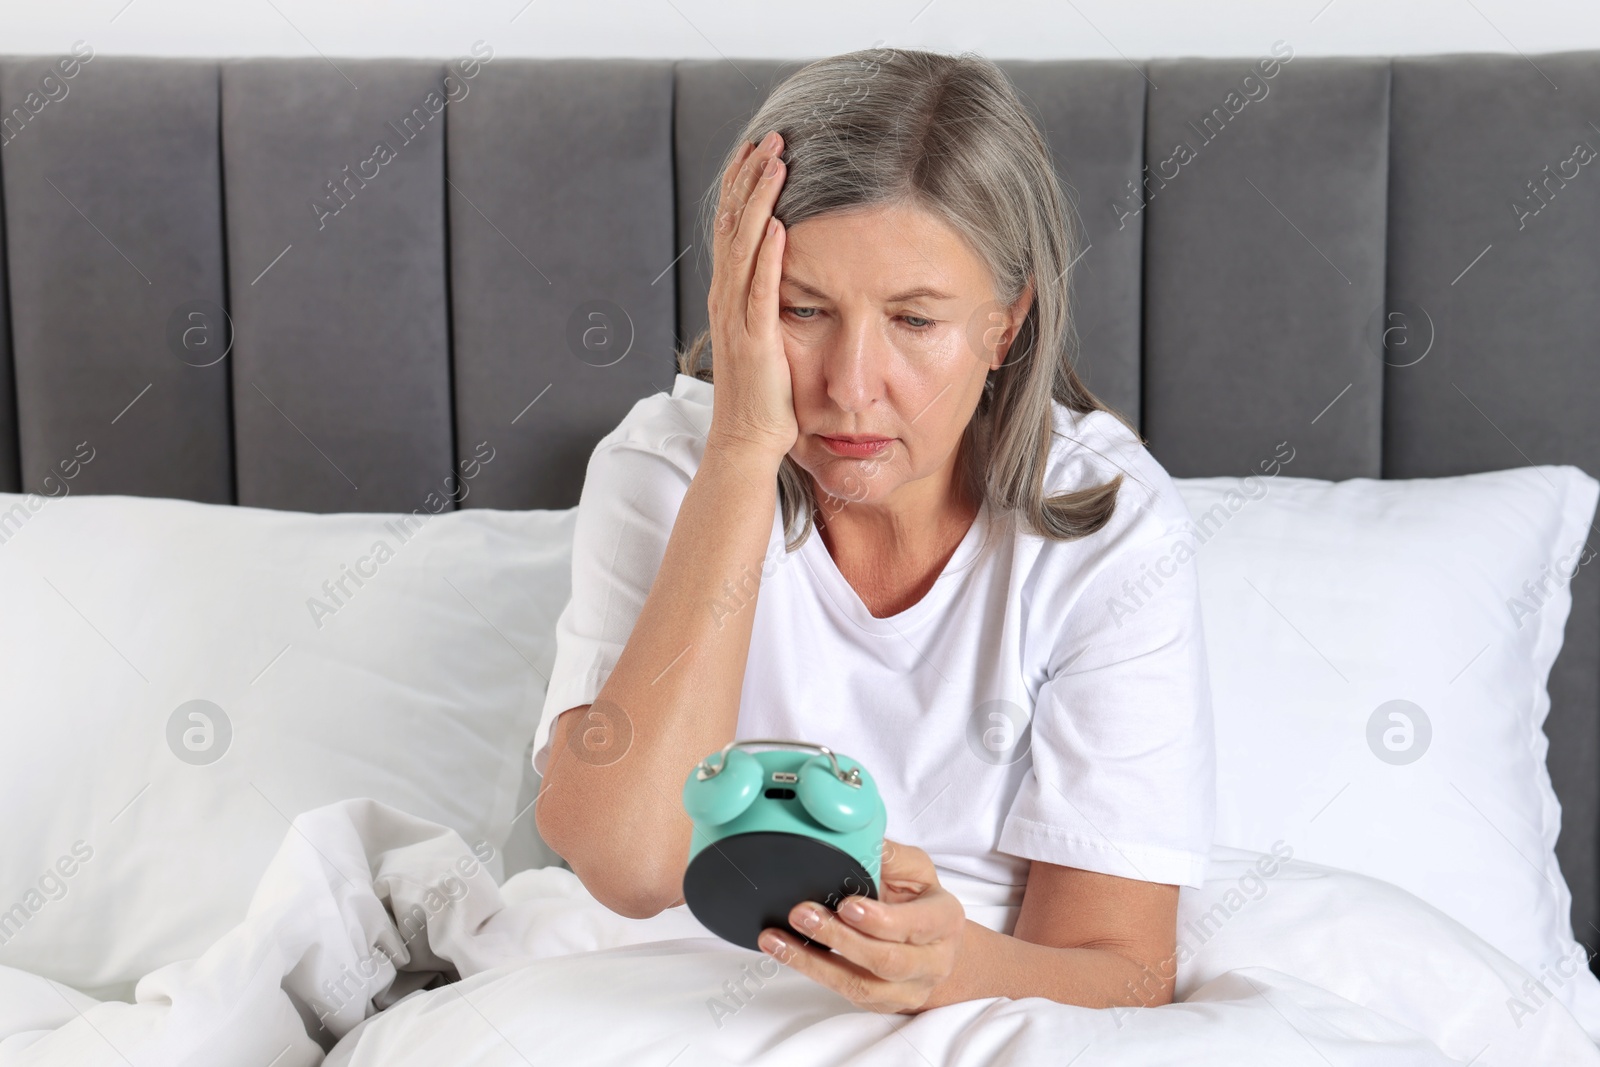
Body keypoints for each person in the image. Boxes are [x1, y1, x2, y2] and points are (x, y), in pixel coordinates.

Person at [533, 46, 1215, 1016]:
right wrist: (740, 448)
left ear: (1006, 322)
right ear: (739, 306)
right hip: (670, 999)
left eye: (914, 319)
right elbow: (628, 864)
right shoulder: (667, 469)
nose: (852, 386)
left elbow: (1124, 967)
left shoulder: (1109, 525)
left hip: (976, 1008)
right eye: (801, 310)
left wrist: (955, 967)